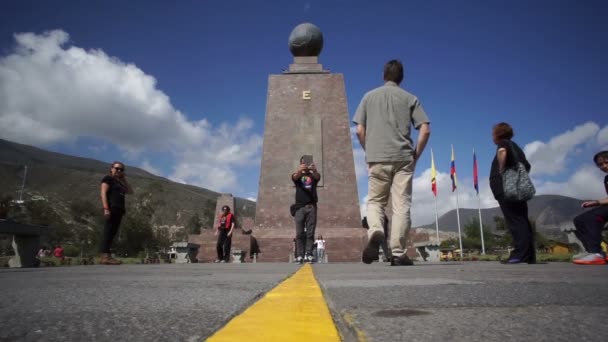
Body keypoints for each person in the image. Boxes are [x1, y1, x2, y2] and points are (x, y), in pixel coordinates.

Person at [353, 59, 430, 266]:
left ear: (383, 75)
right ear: (401, 77)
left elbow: (359, 130)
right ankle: (398, 253)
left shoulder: (368, 97)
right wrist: (416, 154)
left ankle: (376, 230)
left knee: (375, 201)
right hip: (404, 158)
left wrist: (369, 151)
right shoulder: (410, 98)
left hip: (377, 157)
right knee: (401, 205)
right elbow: (425, 128)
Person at [489, 122, 536, 264]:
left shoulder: (503, 143)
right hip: (518, 189)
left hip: (506, 188)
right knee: (521, 219)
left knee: (515, 221)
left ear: (497, 134)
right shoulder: (517, 148)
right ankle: (529, 255)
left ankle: (519, 255)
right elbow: (527, 166)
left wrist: (501, 170)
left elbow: (502, 152)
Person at [571, 151, 608, 265]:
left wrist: (596, 202)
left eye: (606, 162)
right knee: (579, 220)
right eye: (600, 164)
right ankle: (592, 251)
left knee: (591, 218)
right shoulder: (606, 179)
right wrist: (594, 202)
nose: (604, 166)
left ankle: (595, 253)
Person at [100, 161, 133, 265]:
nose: (119, 170)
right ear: (111, 168)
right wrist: (106, 208)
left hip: (119, 210)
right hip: (111, 208)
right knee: (108, 231)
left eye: (121, 169)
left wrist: (123, 178)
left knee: (113, 233)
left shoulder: (119, 182)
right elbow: (103, 193)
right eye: (117, 168)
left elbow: (130, 191)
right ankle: (105, 256)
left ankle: (107, 256)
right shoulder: (108, 178)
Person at [292, 156, 321, 264]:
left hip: (311, 207)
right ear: (300, 164)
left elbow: (317, 177)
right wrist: (300, 170)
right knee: (299, 233)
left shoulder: (313, 176)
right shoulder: (297, 175)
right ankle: (299, 255)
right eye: (304, 163)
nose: (306, 165)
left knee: (310, 233)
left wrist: (314, 170)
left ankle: (309, 254)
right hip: (299, 208)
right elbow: (295, 177)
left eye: (308, 163)